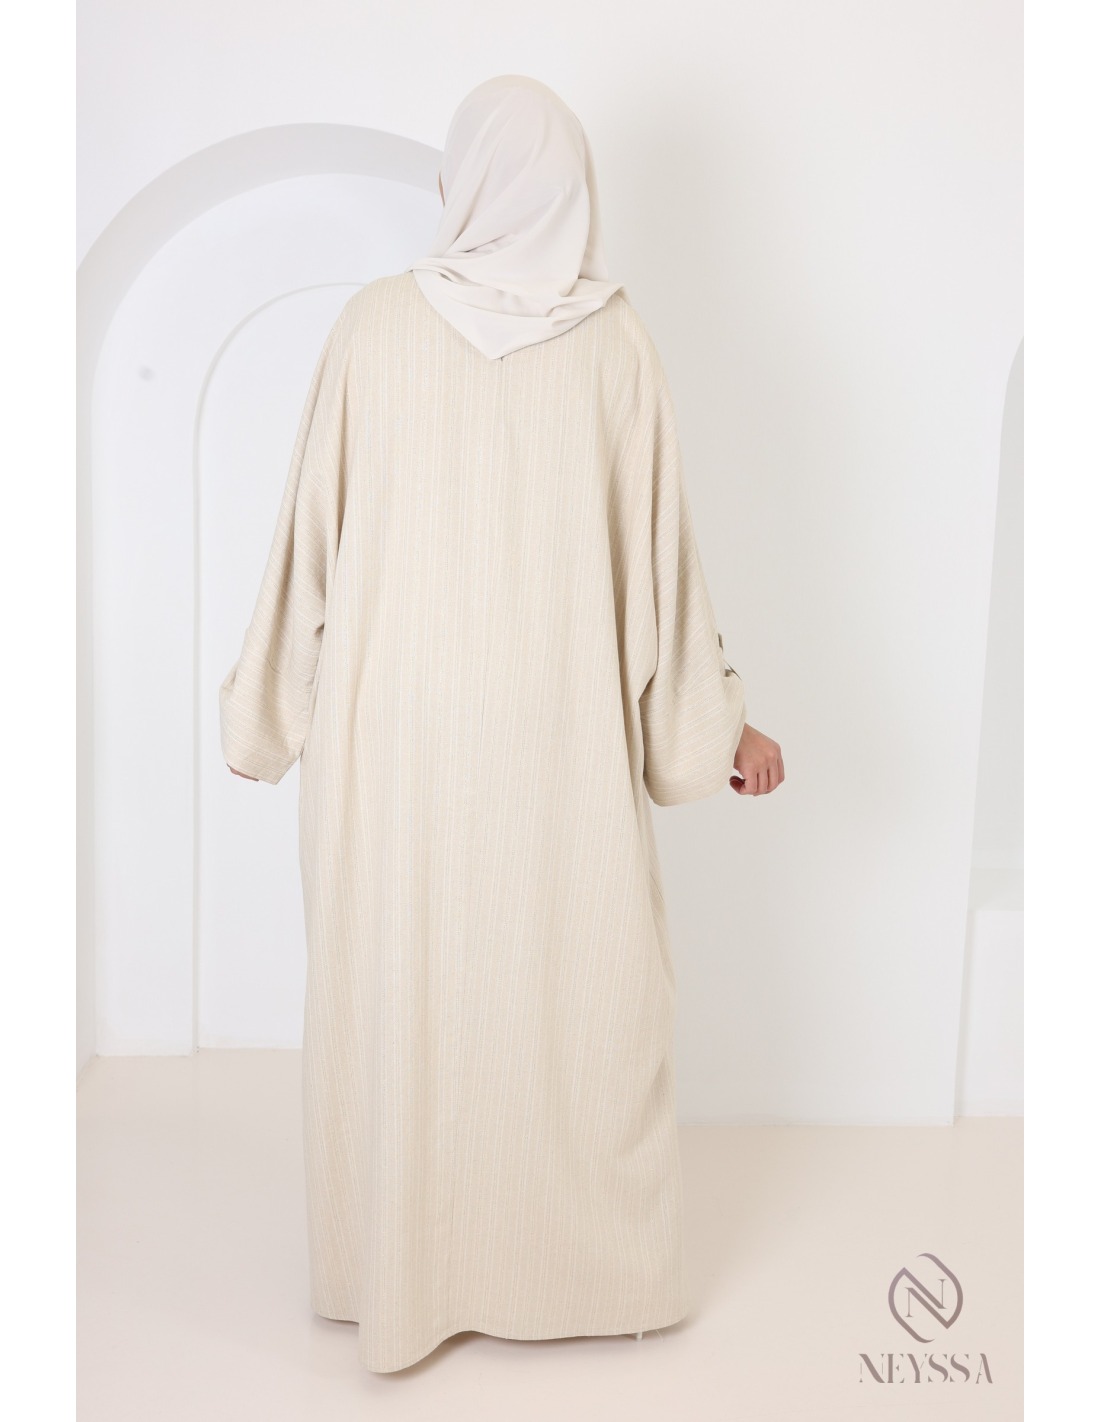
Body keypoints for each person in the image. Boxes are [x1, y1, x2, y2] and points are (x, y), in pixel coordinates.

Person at [219, 73, 783, 1374]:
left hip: (392, 744)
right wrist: (719, 726)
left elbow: (304, 538)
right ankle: (564, 1268)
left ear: (469, 181)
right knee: (565, 993)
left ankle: (410, 1270)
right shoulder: (616, 340)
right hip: (557, 741)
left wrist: (264, 713)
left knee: (413, 993)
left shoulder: (375, 326)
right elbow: (661, 566)